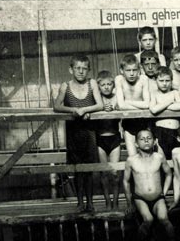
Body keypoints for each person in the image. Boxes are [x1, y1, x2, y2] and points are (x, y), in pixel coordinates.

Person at [53, 55, 103, 213]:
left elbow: (100, 104)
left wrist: (85, 110)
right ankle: (80, 202)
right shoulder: (65, 86)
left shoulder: (92, 83)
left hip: (89, 132)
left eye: (84, 68)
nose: (81, 71)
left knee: (88, 169)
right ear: (71, 69)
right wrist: (73, 110)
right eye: (77, 68)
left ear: (89, 70)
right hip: (73, 132)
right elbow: (56, 106)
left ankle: (90, 203)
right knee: (76, 169)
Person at [123, 128, 175, 240]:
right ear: (136, 144)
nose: (146, 141)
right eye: (142, 139)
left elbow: (169, 174)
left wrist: (164, 193)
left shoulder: (159, 157)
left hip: (158, 197)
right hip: (140, 198)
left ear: (155, 141)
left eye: (149, 138)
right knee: (148, 219)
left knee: (164, 219)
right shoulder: (131, 160)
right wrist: (129, 203)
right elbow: (126, 181)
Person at [95, 70, 122, 209]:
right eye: (103, 85)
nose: (106, 87)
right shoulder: (96, 99)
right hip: (100, 139)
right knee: (104, 173)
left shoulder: (117, 97)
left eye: (109, 84)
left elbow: (122, 110)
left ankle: (116, 202)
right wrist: (99, 109)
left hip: (114, 139)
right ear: (98, 86)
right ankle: (107, 202)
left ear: (113, 85)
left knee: (115, 172)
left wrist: (116, 109)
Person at [115, 54, 151, 157]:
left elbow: (147, 104)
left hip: (144, 122)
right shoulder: (119, 79)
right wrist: (141, 105)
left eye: (134, 70)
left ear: (139, 70)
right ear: (122, 70)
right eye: (128, 70)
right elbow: (121, 106)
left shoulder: (143, 79)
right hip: (128, 123)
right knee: (133, 157)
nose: (131, 74)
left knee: (147, 156)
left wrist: (127, 102)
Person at [149, 67, 180, 161]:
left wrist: (161, 106)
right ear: (155, 80)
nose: (164, 83)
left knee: (176, 161)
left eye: (167, 80)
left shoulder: (175, 93)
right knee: (162, 162)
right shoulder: (154, 94)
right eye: (161, 80)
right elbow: (153, 109)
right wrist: (170, 102)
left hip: (175, 131)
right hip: (160, 132)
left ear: (171, 80)